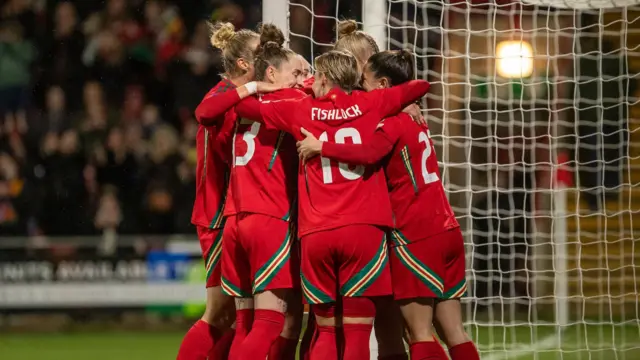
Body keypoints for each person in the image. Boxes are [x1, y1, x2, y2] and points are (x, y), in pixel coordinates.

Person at [233, 50, 430, 360]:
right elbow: (420, 85)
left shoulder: (301, 108)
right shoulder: (372, 103)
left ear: (322, 78)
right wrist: (401, 100)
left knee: (324, 328)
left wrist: (290, 87)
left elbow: (240, 104)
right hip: (363, 230)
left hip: (316, 232)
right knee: (357, 331)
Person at [296, 50, 480, 360]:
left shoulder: (392, 122)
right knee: (454, 331)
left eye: (364, 83)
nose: (359, 89)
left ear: (383, 84)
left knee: (417, 332)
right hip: (446, 227)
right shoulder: (415, 118)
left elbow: (367, 153)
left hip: (416, 232)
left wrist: (321, 145)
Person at [177, 22, 281, 360]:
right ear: (242, 64)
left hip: (232, 214)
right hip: (218, 215)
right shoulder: (222, 96)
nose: (267, 60)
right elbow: (203, 114)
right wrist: (252, 87)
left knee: (239, 317)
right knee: (220, 314)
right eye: (260, 55)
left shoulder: (237, 96)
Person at [219, 24, 306, 360]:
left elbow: (209, 111)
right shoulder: (290, 101)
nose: (301, 78)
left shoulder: (241, 99)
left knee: (244, 323)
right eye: (296, 72)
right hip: (269, 218)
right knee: (271, 320)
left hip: (234, 220)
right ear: (273, 71)